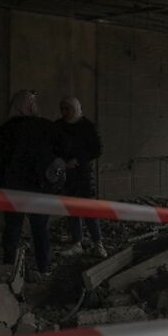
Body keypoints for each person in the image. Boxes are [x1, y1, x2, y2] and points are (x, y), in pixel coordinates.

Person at [0, 89, 62, 273]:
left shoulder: (5, 129)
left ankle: (8, 267)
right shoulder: (45, 127)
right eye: (34, 102)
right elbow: (61, 153)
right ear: (29, 105)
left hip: (13, 189)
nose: (37, 106)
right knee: (40, 230)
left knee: (12, 230)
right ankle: (43, 267)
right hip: (39, 187)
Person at [56, 96, 106, 257]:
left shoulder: (87, 126)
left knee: (89, 209)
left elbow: (97, 149)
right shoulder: (58, 126)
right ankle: (77, 241)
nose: (64, 112)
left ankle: (97, 242)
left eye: (67, 109)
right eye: (62, 109)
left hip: (83, 174)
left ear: (75, 109)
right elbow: (53, 147)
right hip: (67, 174)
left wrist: (78, 160)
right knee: (72, 209)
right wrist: (63, 162)